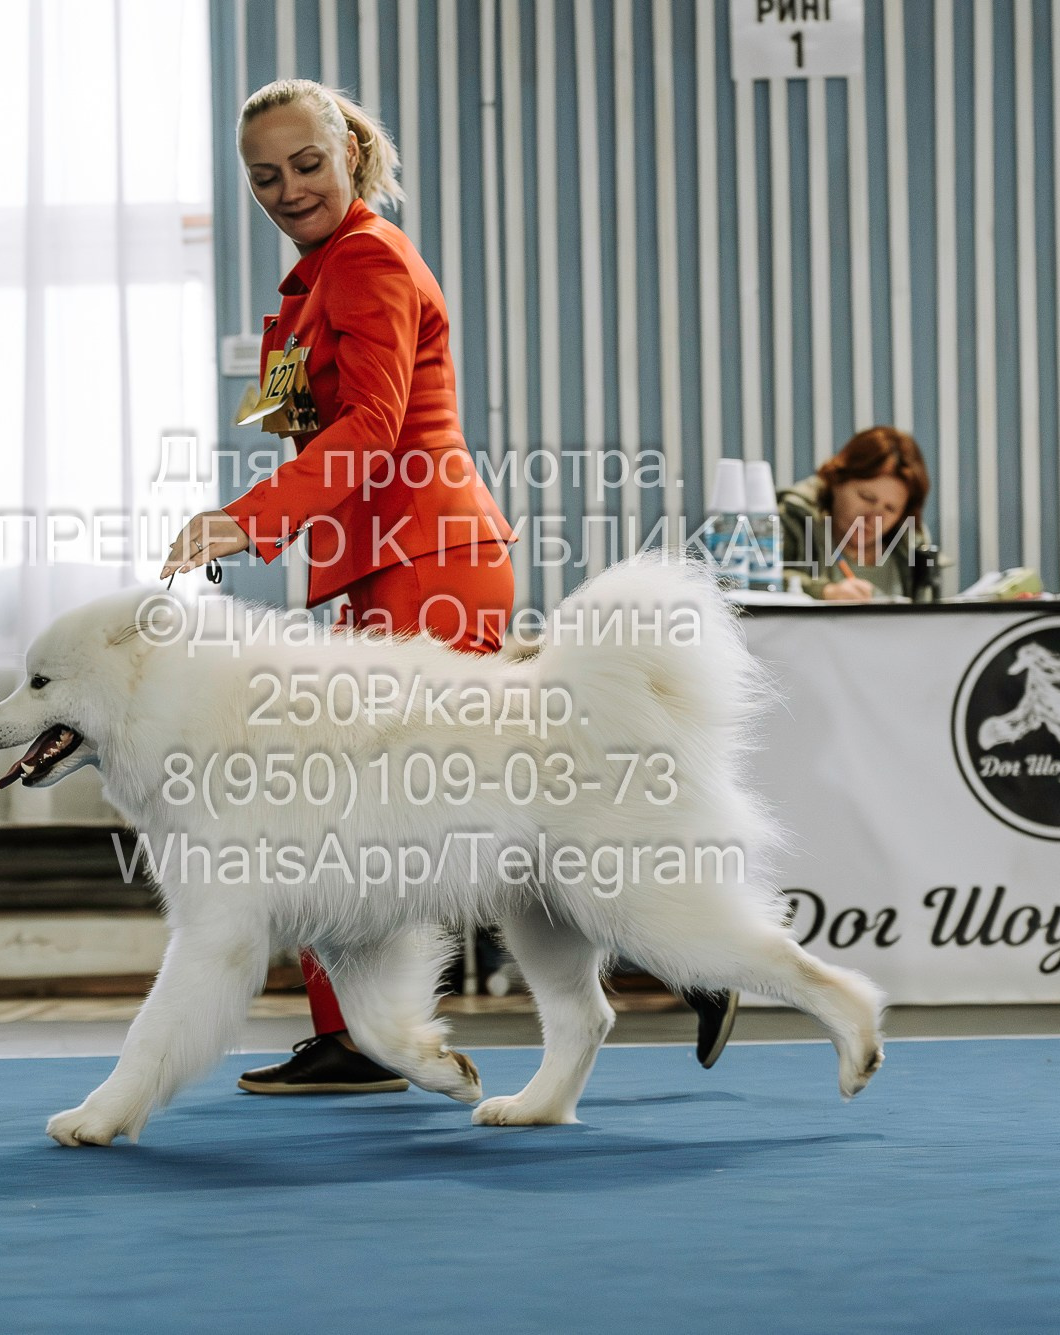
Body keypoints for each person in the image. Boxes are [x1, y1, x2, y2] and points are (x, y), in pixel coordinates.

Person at [161, 77, 738, 1089]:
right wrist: (261, 518)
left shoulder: (367, 263)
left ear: (351, 156)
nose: (288, 188)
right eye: (264, 176)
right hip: (378, 565)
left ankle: (690, 952)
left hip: (424, 562)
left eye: (307, 164)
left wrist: (245, 521)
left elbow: (375, 432)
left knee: (431, 805)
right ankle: (358, 1031)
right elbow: (307, 433)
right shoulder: (306, 290)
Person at [778, 426, 934, 602]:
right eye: (867, 498)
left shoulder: (912, 544)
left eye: (890, 509)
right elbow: (756, 582)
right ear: (837, 479)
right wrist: (823, 592)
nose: (874, 518)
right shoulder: (794, 518)